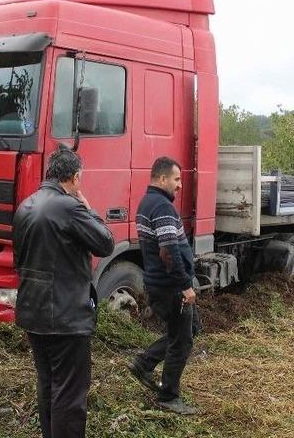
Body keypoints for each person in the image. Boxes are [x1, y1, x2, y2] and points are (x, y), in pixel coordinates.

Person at [12, 147, 114, 438]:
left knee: (48, 384)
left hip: (33, 312)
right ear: (75, 177)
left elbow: (19, 260)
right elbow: (105, 243)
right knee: (69, 393)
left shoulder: (26, 205)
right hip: (65, 317)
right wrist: (88, 208)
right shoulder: (69, 207)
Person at [128, 157, 198, 415]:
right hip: (171, 287)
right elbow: (168, 251)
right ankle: (168, 397)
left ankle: (144, 363)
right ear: (162, 178)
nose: (180, 185)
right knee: (181, 342)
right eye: (176, 179)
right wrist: (185, 285)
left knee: (190, 328)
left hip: (161, 284)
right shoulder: (162, 207)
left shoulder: (148, 202)